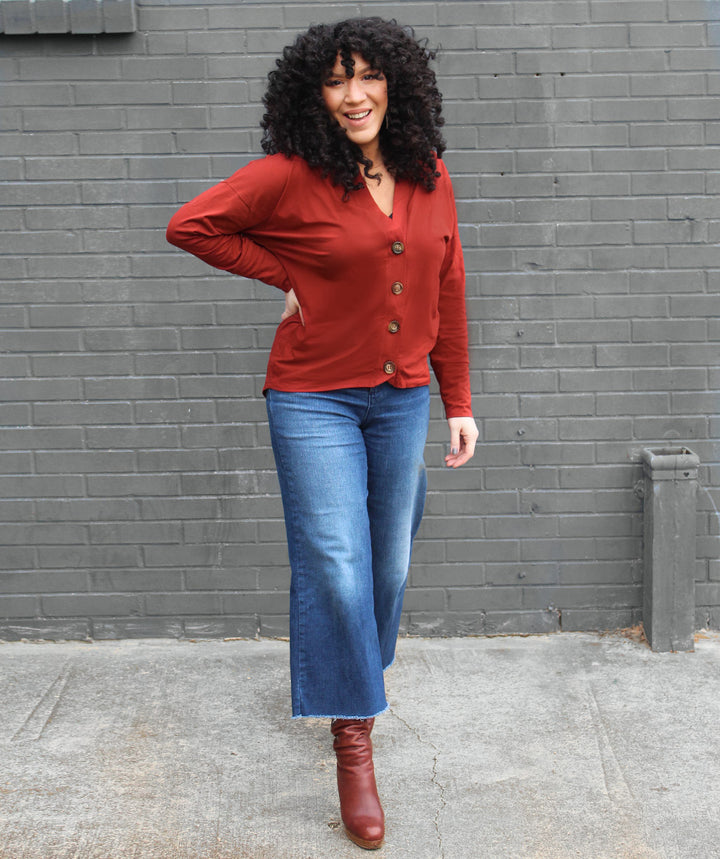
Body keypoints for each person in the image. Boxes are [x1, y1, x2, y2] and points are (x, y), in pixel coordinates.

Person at [166, 16, 478, 850]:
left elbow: (447, 285)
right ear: (315, 95)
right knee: (336, 562)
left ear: (396, 85)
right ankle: (353, 734)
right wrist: (285, 272)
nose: (354, 95)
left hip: (402, 395)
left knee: (389, 560)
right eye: (337, 81)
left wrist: (458, 398)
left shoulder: (428, 173)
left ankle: (352, 673)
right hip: (313, 397)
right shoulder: (289, 175)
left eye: (368, 76)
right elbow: (191, 224)